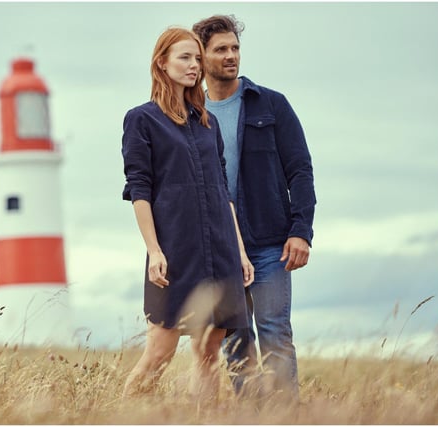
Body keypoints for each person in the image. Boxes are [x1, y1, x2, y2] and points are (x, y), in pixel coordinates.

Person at [121, 27, 255, 400]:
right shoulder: (141, 119)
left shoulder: (207, 123)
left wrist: (240, 251)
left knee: (209, 351)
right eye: (185, 57)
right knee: (160, 350)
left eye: (197, 58)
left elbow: (223, 193)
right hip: (176, 250)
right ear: (161, 62)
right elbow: (139, 190)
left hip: (222, 249)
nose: (195, 65)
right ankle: (122, 417)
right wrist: (154, 251)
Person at [192, 15, 316, 403]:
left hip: (270, 242)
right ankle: (250, 415)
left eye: (235, 48)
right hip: (221, 247)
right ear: (202, 55)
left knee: (275, 331)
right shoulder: (190, 113)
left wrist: (301, 230)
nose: (231, 56)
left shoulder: (271, 104)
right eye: (221, 50)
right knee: (234, 337)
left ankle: (283, 416)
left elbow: (300, 169)